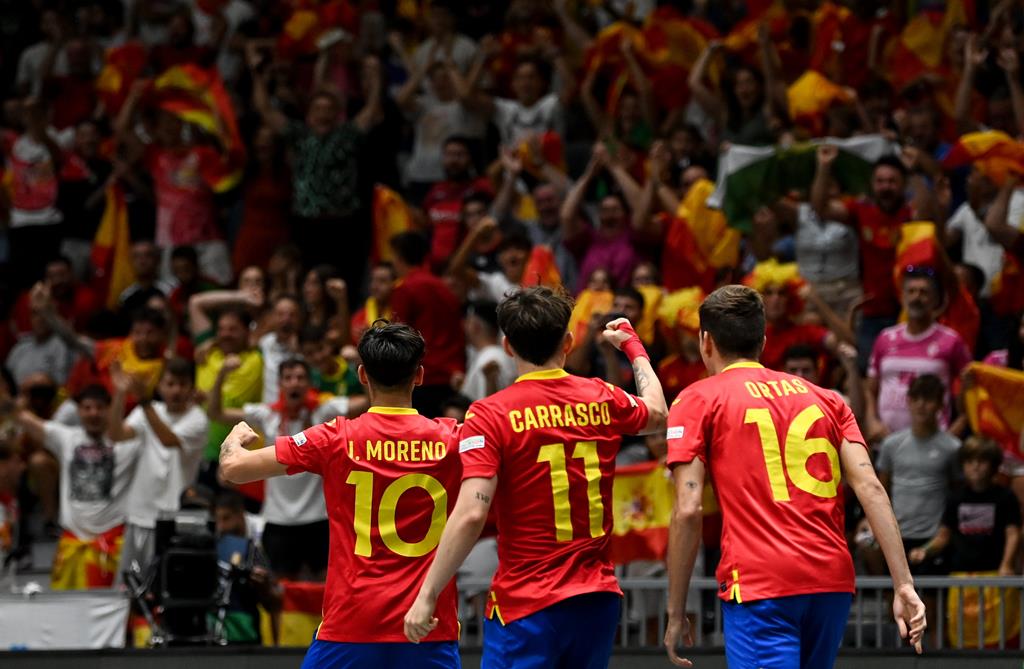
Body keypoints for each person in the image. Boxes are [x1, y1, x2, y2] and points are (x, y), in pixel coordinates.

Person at [661, 285, 926, 668]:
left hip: (760, 584)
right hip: (831, 582)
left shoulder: (697, 399)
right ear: (763, 341)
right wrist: (903, 584)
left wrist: (674, 610)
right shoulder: (829, 399)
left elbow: (687, 509)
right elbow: (870, 487)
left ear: (706, 342)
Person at [405, 286, 668, 667]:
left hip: (528, 603)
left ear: (508, 346)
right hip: (596, 601)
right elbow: (658, 412)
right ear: (568, 341)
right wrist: (633, 347)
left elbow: (472, 513)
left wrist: (428, 592)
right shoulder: (600, 396)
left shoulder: (490, 414)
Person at [219, 322, 463, 667]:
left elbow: (233, 468)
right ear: (419, 375)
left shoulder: (336, 437)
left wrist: (235, 437)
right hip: (428, 624)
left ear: (362, 375)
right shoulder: (453, 439)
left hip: (352, 622)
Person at [209, 356, 365, 580]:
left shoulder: (324, 411)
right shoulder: (267, 414)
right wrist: (222, 373)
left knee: (324, 586)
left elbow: (368, 402)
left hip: (318, 518)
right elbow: (216, 413)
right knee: (281, 591)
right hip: (278, 520)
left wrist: (360, 364)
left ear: (309, 384)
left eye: (300, 378)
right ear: (280, 384)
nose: (294, 383)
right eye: (288, 378)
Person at [11, 384, 140, 589]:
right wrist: (17, 401)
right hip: (71, 544)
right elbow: (21, 417)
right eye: (87, 408)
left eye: (99, 407)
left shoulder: (130, 442)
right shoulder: (67, 437)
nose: (93, 413)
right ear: (78, 411)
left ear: (110, 409)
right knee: (65, 612)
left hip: (112, 544)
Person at [108, 358, 209, 574]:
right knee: (132, 586)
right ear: (160, 386)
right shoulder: (150, 410)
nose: (176, 390)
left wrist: (144, 402)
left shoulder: (198, 418)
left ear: (192, 388)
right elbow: (116, 434)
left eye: (182, 384)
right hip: (140, 511)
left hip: (174, 517)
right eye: (170, 384)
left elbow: (168, 440)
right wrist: (120, 394)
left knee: (166, 584)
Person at [865, 269, 972, 441]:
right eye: (911, 291)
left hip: (933, 446)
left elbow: (971, 389)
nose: (917, 297)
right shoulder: (885, 338)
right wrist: (871, 422)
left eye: (924, 292)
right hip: (885, 444)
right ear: (902, 297)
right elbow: (870, 389)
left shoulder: (951, 340)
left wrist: (951, 436)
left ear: (936, 300)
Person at [875, 374, 960, 575]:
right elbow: (880, 489)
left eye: (929, 399)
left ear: (940, 405)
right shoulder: (891, 444)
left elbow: (956, 492)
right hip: (896, 536)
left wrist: (944, 530)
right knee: (894, 601)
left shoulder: (952, 447)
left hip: (934, 536)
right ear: (909, 402)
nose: (922, 405)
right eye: (917, 399)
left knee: (932, 600)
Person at [909, 438, 1020, 576]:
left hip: (995, 573)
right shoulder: (956, 497)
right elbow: (943, 536)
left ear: (993, 465)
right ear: (962, 465)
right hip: (961, 575)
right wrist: (924, 550)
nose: (975, 466)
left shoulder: (1005, 496)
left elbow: (1013, 533)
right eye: (970, 461)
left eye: (982, 461)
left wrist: (1007, 564)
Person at [388, 232, 465, 417]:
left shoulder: (405, 289)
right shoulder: (443, 287)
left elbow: (398, 338)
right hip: (453, 376)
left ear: (399, 257)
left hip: (423, 377)